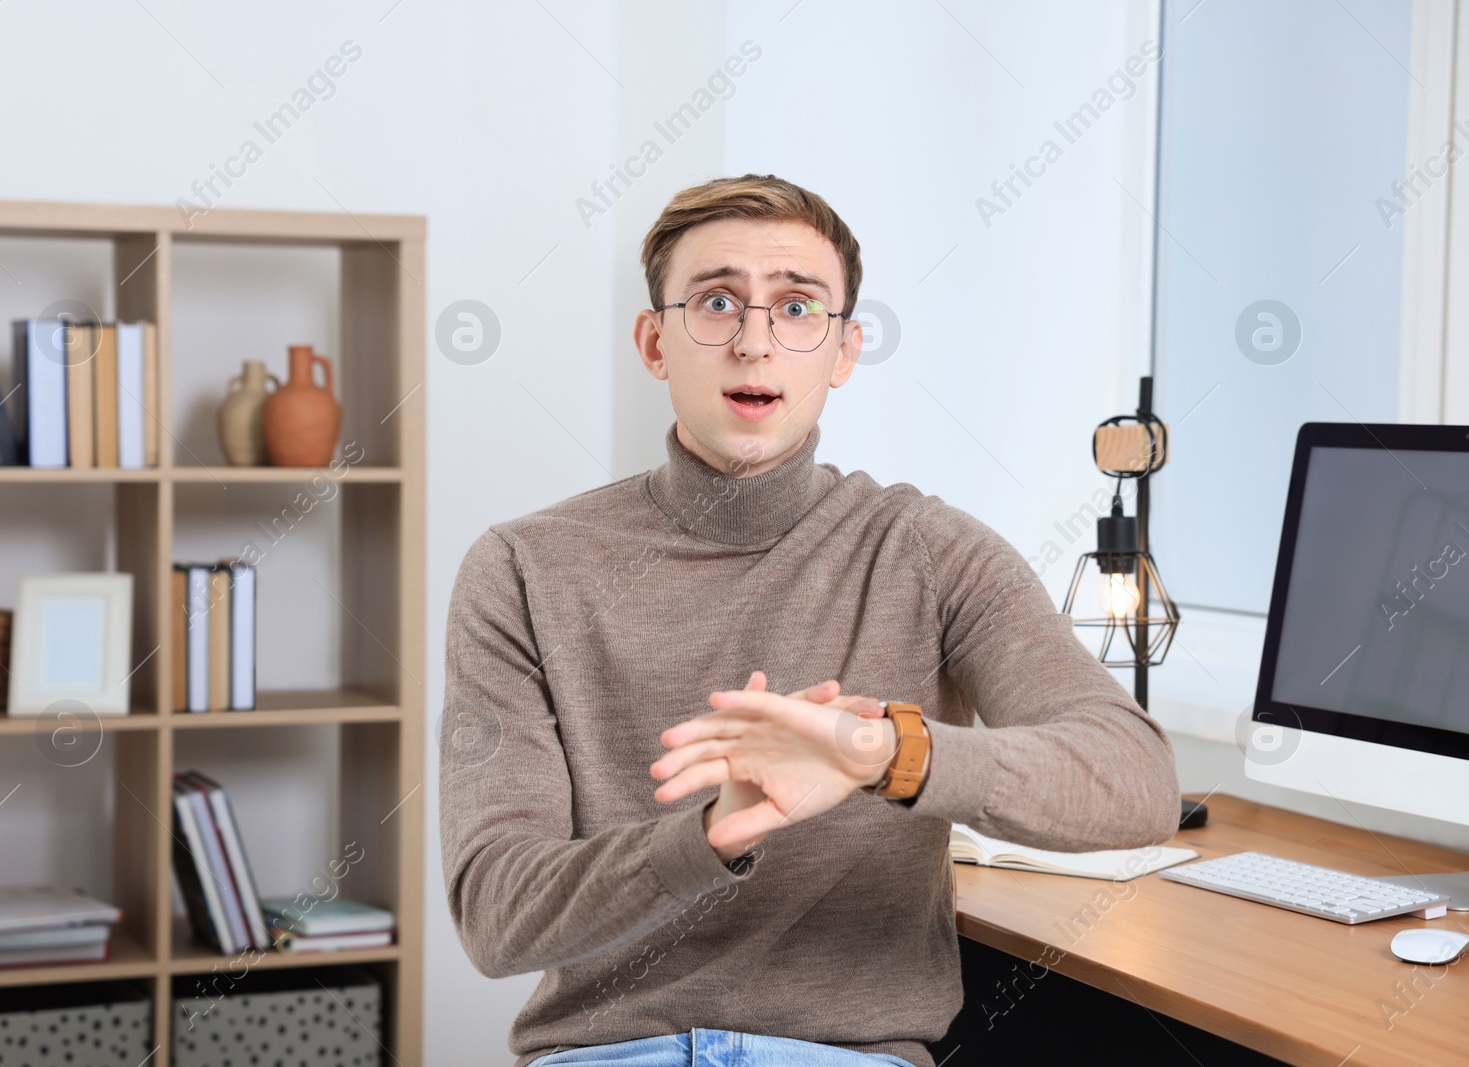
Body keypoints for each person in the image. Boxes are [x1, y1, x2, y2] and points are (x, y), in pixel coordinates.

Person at [440, 173, 1181, 1067]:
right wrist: (708, 836)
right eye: (717, 302)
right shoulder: (523, 567)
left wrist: (884, 755)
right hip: (607, 1055)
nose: (756, 343)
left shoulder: (930, 549)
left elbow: (1136, 781)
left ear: (842, 351)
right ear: (655, 342)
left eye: (797, 308)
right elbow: (496, 912)